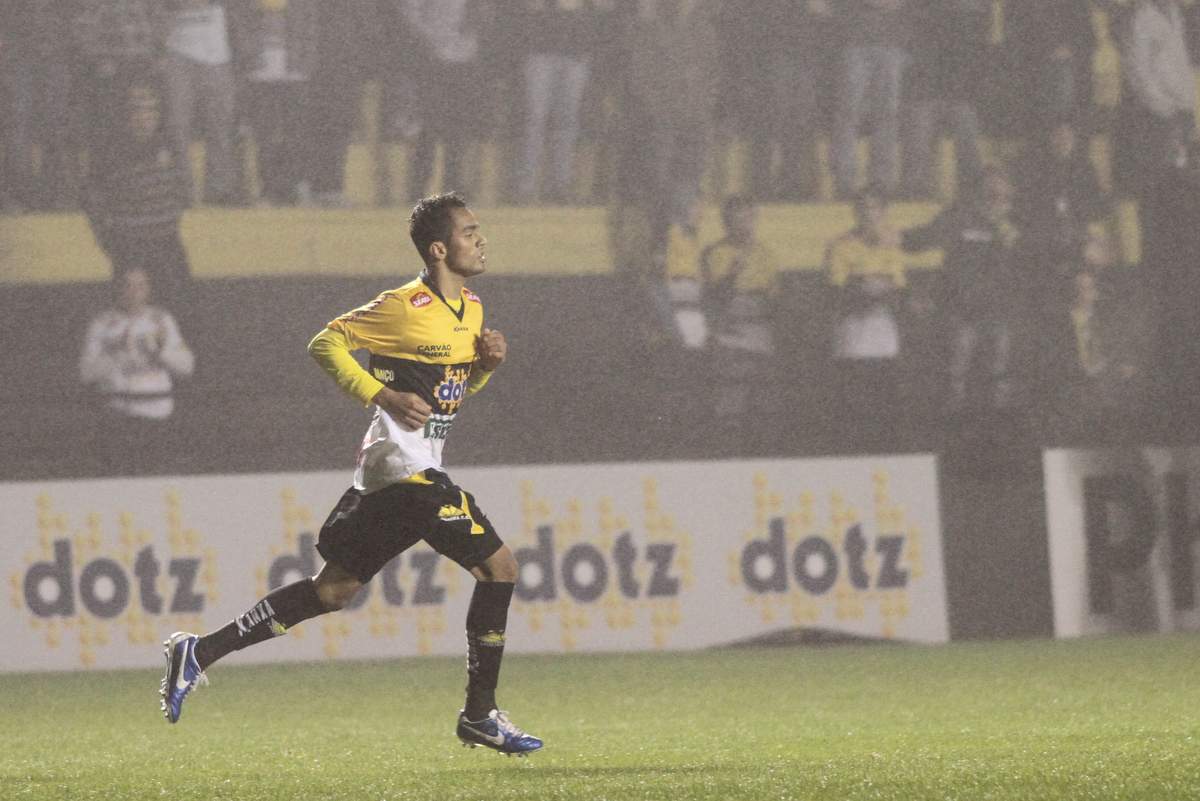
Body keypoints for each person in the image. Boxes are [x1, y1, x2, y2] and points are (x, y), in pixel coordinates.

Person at [159, 192, 543, 756]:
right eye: (469, 231)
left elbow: (448, 399)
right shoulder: (403, 306)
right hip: (404, 468)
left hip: (399, 472)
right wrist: (381, 394)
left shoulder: (473, 309)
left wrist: (484, 368)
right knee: (500, 568)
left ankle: (199, 651)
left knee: (332, 590)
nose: (480, 239)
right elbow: (326, 343)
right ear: (439, 249)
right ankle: (480, 714)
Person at [79, 268, 195, 473]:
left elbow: (187, 368)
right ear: (117, 288)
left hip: (156, 415)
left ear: (148, 289)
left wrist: (160, 353)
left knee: (156, 479)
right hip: (116, 417)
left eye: (140, 286)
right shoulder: (102, 323)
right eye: (127, 285)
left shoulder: (161, 320)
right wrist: (117, 355)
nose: (133, 292)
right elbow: (85, 374)